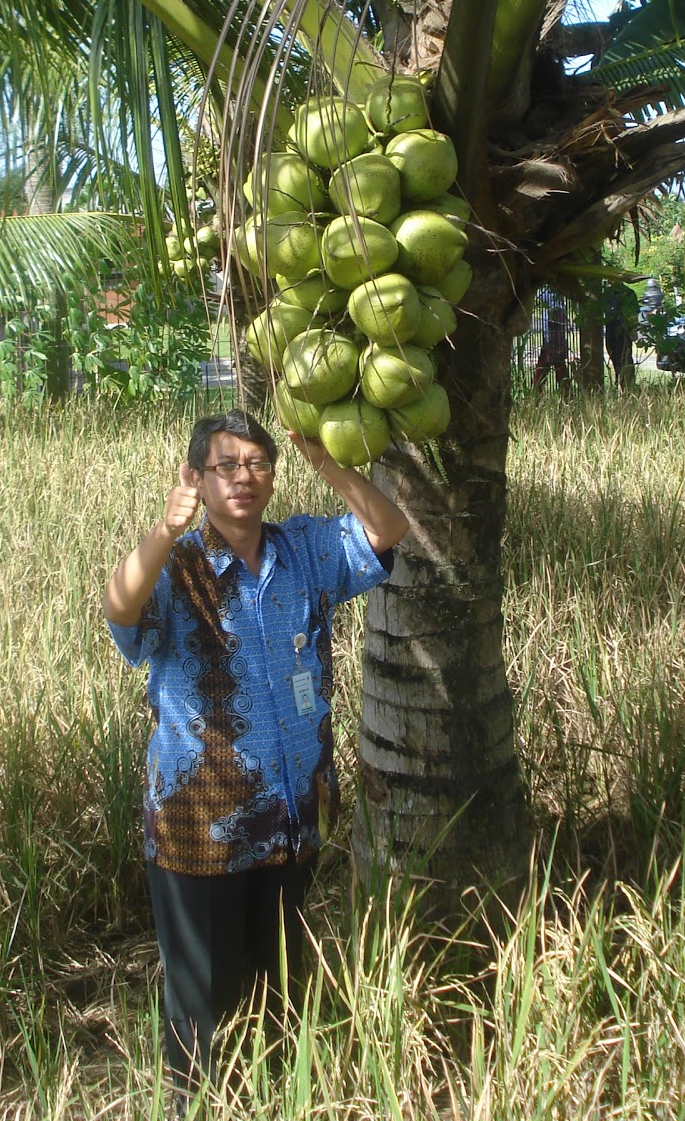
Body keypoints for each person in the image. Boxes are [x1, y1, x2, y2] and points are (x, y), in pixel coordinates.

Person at [102, 409, 409, 1107]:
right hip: (202, 828)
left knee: (278, 1001)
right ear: (197, 479)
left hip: (291, 822)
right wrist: (162, 529)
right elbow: (120, 609)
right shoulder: (177, 567)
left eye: (257, 464)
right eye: (225, 466)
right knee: (204, 1017)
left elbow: (387, 532)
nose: (243, 478)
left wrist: (327, 464)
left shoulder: (301, 548)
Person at [531, 290, 570, 391]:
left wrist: (552, 346)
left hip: (552, 343)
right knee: (558, 367)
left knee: (549, 367)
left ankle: (536, 395)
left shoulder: (555, 311)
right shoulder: (552, 309)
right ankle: (567, 395)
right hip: (550, 341)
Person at [604, 281, 639, 389]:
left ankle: (628, 384)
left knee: (625, 356)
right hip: (611, 327)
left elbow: (633, 314)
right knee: (613, 354)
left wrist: (633, 329)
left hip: (623, 328)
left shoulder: (628, 293)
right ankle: (620, 381)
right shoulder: (607, 292)